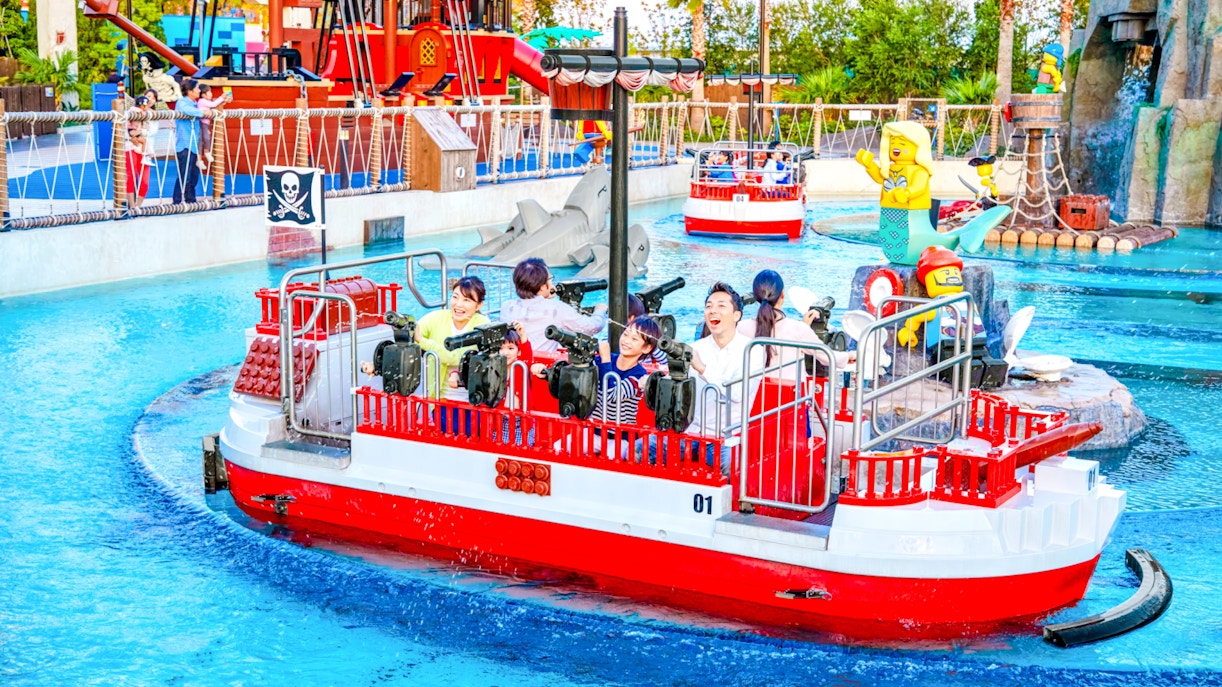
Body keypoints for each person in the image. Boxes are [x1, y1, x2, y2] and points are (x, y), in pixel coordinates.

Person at [682, 282, 765, 474]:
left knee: (729, 463)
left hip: (727, 436)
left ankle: (733, 505)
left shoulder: (752, 350)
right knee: (638, 449)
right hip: (691, 431)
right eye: (709, 306)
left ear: (736, 316)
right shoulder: (697, 347)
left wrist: (702, 368)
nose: (713, 311)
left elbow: (737, 394)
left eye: (721, 306)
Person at [737, 270, 854, 374]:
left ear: (756, 297)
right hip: (791, 397)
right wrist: (850, 355)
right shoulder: (798, 330)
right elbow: (827, 357)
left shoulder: (741, 328)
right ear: (782, 295)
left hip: (753, 395)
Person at [499, 258, 607, 353]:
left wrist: (545, 296)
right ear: (542, 287)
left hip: (516, 366)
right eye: (550, 280)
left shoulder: (506, 307)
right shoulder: (557, 309)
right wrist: (600, 311)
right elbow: (592, 328)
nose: (552, 284)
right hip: (542, 368)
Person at [414, 276, 490, 401]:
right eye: (455, 297)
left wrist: (422, 341)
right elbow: (409, 339)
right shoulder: (436, 318)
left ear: (478, 305)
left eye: (467, 300)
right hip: (440, 398)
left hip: (474, 400)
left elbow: (456, 357)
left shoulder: (482, 325)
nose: (458, 304)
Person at [172, 78, 207, 204]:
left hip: (193, 145)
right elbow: (188, 111)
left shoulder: (194, 104)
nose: (199, 90)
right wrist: (202, 112)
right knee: (184, 174)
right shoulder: (182, 102)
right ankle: (177, 201)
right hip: (184, 144)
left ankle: (190, 199)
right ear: (190, 91)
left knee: (194, 175)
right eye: (197, 88)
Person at [195, 84, 231, 175]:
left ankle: (206, 152)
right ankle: (200, 158)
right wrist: (221, 97)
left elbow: (214, 104)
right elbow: (213, 104)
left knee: (207, 139)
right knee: (201, 141)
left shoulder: (206, 101)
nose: (211, 94)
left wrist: (223, 100)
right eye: (209, 92)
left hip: (206, 124)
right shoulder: (202, 101)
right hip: (201, 123)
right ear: (203, 95)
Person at [124, 95, 151, 209]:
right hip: (131, 147)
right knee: (130, 177)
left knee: (144, 181)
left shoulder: (150, 114)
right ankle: (131, 205)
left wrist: (140, 131)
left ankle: (138, 205)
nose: (144, 108)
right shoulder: (132, 113)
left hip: (145, 149)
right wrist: (132, 135)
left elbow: (151, 131)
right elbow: (125, 128)